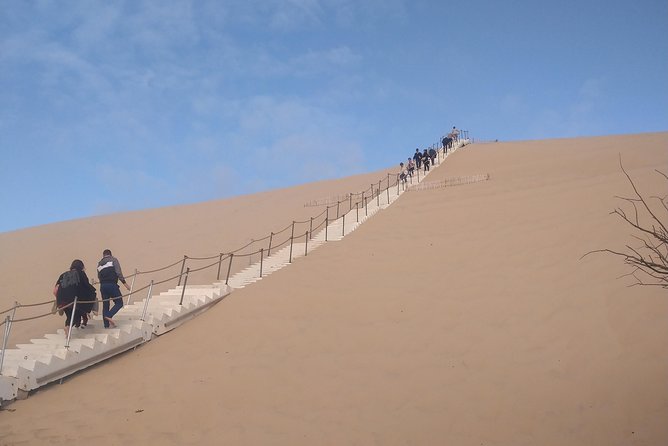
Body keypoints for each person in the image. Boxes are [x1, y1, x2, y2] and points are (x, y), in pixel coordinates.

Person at [54, 260, 96, 337]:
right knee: (76, 316)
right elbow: (86, 286)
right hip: (74, 299)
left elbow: (55, 290)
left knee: (69, 316)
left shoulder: (63, 274)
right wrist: (93, 292)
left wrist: (58, 299)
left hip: (62, 300)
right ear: (81, 266)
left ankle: (67, 329)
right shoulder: (81, 273)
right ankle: (67, 327)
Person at [97, 249, 130, 328]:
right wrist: (125, 284)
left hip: (103, 286)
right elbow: (118, 272)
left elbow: (98, 276)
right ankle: (109, 315)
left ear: (103, 255)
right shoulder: (113, 260)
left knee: (105, 305)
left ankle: (106, 325)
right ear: (110, 254)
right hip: (111, 284)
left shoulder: (99, 264)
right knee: (119, 302)